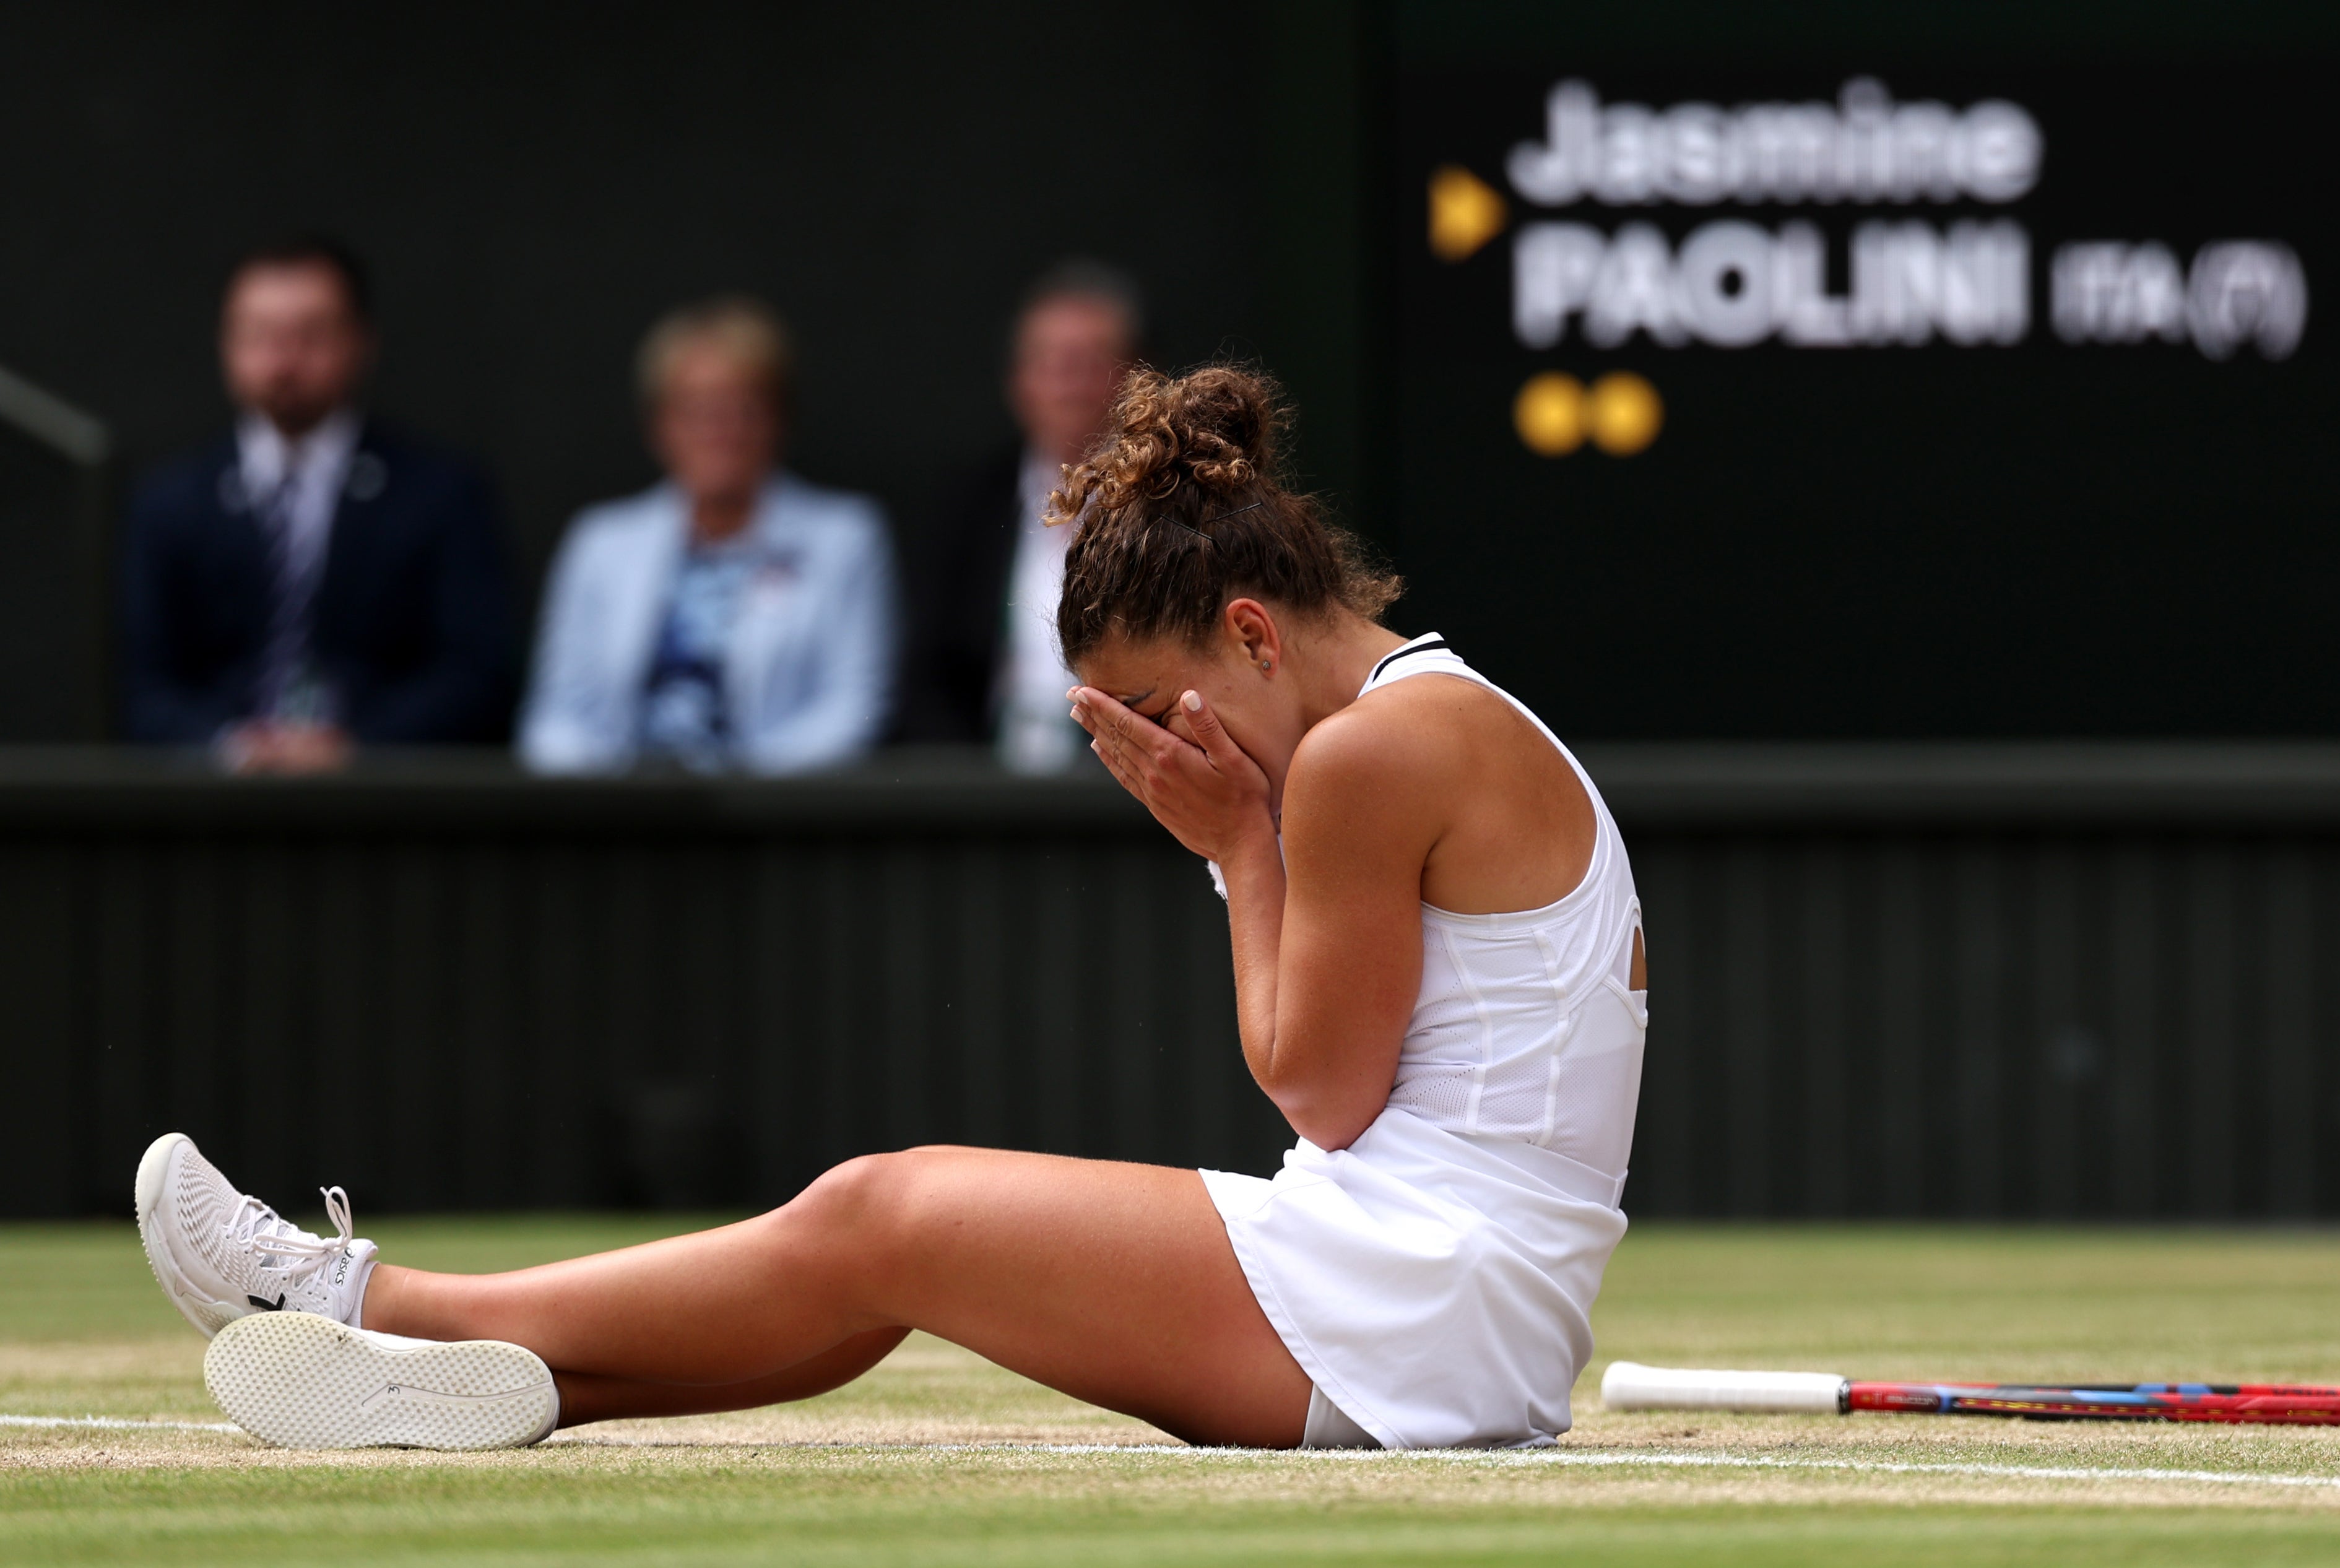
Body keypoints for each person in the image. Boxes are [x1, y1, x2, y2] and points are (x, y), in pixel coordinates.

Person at [132, 365, 1650, 1453]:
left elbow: (1321, 1089)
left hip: (1421, 1314)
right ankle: (501, 1374)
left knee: (887, 1207)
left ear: (1249, 632)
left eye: (1143, 707)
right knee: (874, 1263)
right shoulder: (1428, 718)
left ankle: (367, 1293)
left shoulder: (1373, 753)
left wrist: (1237, 846)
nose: (1147, 750)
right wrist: (1246, 834)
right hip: (1446, 1308)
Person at [119, 237, 515, 769]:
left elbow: (478, 675)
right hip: (211, 810)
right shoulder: (170, 502)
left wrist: (356, 749)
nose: (283, 360)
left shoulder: (440, 494)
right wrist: (229, 747)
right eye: (260, 335)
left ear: (360, 341)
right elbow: (141, 686)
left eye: (309, 334)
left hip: (389, 807)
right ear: (226, 344)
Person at [518, 297, 895, 774]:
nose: (720, 431)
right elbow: (556, 715)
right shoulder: (602, 543)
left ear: (779, 418)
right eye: (696, 410)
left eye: (742, 407)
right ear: (659, 426)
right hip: (618, 823)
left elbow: (854, 710)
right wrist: (610, 796)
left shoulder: (846, 539)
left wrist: (729, 789)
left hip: (773, 819)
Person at [895, 261, 1138, 771]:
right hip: (988, 802)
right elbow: (927, 678)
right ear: (1018, 382)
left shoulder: (1177, 508)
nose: (1070, 384)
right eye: (1052, 363)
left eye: (1091, 362)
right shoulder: (967, 508)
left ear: (1138, 379)